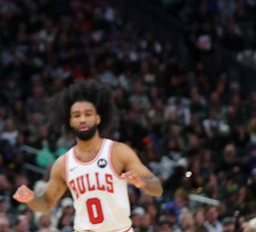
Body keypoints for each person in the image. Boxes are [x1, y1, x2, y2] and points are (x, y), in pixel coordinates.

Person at [14, 81, 163, 231]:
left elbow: (157, 188)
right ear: (71, 122)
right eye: (77, 115)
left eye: (88, 114)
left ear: (98, 118)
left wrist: (142, 182)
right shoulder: (63, 164)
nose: (83, 119)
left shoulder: (118, 152)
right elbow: (45, 204)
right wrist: (31, 198)